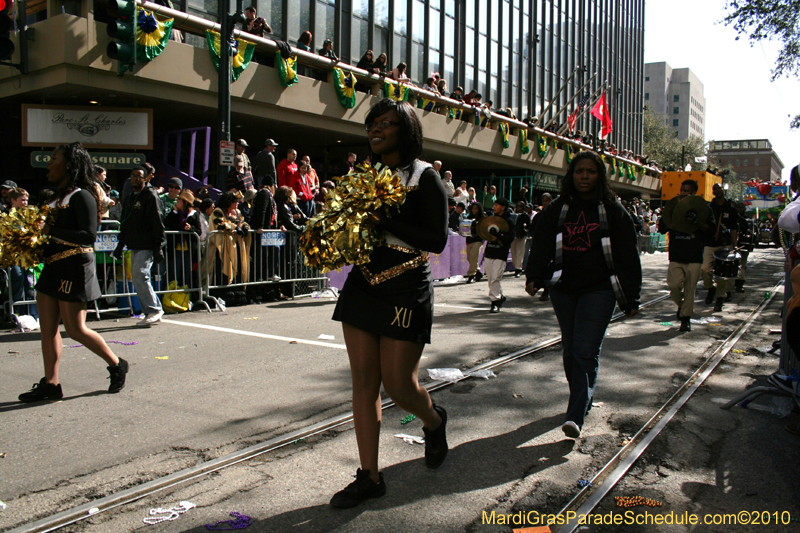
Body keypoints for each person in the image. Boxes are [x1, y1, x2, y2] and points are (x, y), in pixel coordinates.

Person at [329, 99, 449, 508]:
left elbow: (436, 239)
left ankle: (434, 421)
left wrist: (385, 220)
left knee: (399, 386)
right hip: (363, 284)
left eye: (387, 123)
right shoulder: (362, 175)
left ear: (407, 130)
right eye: (372, 123)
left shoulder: (425, 177)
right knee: (363, 383)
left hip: (406, 286)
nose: (376, 129)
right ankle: (370, 476)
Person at [525, 151, 641, 439]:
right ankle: (583, 397)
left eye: (590, 171)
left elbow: (628, 255)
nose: (584, 176)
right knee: (570, 349)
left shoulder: (613, 209)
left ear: (599, 175)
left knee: (584, 351)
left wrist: (631, 297)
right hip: (564, 289)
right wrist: (535, 276)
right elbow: (540, 242)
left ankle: (575, 414)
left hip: (600, 289)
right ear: (571, 175)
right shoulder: (559, 208)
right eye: (579, 171)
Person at [18, 142, 129, 402]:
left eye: (54, 158)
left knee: (75, 329)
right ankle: (51, 384)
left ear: (68, 164)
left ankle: (116, 363)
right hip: (53, 266)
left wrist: (49, 231)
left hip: (74, 265)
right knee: (47, 329)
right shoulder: (55, 198)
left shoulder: (83, 196)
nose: (49, 163)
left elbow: (88, 235)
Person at [115, 165, 166, 326]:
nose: (136, 178)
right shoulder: (129, 197)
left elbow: (158, 222)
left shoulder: (150, 196)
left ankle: (153, 310)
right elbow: (125, 222)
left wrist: (158, 246)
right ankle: (152, 309)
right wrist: (120, 244)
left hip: (147, 243)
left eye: (139, 176)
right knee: (138, 277)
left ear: (145, 178)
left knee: (140, 275)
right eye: (133, 175)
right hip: (134, 243)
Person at [658, 180, 710, 332]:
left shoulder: (702, 208)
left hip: (694, 256)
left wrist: (696, 220)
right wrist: (672, 217)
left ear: (694, 193)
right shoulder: (673, 206)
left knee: (690, 290)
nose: (683, 193)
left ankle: (685, 319)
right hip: (676, 255)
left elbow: (709, 229)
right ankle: (681, 306)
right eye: (682, 190)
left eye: (687, 191)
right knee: (674, 286)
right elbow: (662, 228)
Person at [701, 183, 738, 312]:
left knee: (722, 274)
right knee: (705, 269)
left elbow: (734, 229)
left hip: (724, 245)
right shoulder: (708, 208)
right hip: (710, 243)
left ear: (723, 190)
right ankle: (711, 288)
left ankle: (720, 298)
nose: (718, 191)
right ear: (713, 192)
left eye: (720, 188)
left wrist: (734, 245)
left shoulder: (731, 209)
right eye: (715, 189)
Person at [482, 198, 515, 313]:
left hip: (501, 253)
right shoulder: (491, 219)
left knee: (496, 277)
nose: (494, 207)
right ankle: (500, 296)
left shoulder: (509, 221)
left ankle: (495, 302)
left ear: (503, 207)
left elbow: (510, 238)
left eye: (496, 205)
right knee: (491, 278)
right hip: (490, 251)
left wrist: (499, 235)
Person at [734, 201, 754, 293]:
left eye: (742, 207)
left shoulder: (747, 220)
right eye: (739, 207)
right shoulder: (733, 218)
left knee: (742, 265)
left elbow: (751, 233)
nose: (740, 209)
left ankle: (739, 283)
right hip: (733, 245)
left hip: (743, 245)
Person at [465, 202, 485, 283]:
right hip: (469, 240)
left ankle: (471, 275)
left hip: (478, 240)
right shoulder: (468, 217)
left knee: (474, 256)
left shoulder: (482, 218)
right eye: (473, 208)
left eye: (476, 208)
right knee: (469, 258)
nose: (474, 210)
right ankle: (478, 272)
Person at [511, 200, 531, 277]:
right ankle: (515, 266)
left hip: (521, 236)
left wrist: (524, 231)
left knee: (520, 252)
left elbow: (529, 226)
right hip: (514, 235)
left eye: (520, 206)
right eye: (518, 206)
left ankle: (518, 268)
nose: (519, 208)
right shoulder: (513, 215)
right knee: (513, 252)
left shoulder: (525, 216)